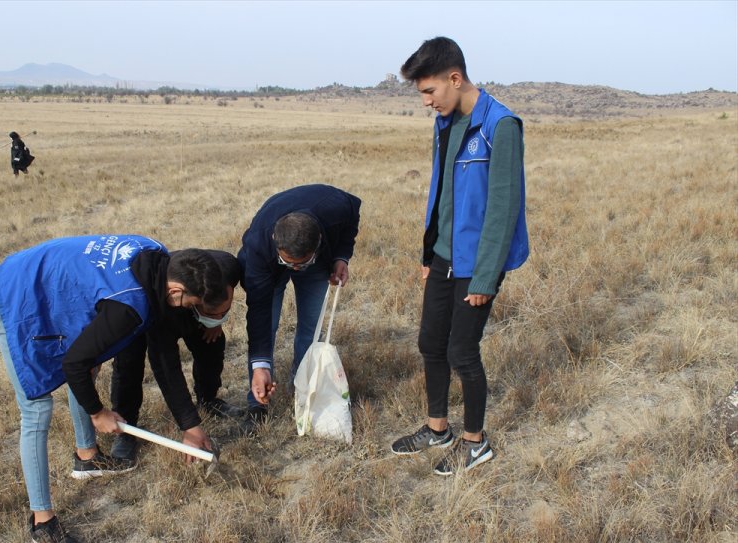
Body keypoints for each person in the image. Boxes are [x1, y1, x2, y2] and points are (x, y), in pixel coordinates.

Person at [0, 235, 225, 543]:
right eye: (191, 305)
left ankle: (87, 457)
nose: (188, 312)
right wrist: (98, 413)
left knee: (89, 365)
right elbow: (73, 365)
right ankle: (43, 523)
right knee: (37, 408)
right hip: (15, 300)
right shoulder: (130, 305)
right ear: (175, 291)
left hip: (45, 287)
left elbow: (162, 358)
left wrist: (190, 425)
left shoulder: (155, 256)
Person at [389, 37, 529, 475]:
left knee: (462, 352)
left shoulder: (500, 125)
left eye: (430, 91)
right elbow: (441, 195)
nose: (427, 101)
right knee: (431, 343)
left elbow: (503, 209)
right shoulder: (445, 123)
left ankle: (475, 443)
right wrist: (430, 253)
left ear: (455, 78)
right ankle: (437, 429)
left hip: (478, 263)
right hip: (444, 257)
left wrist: (486, 278)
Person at [237, 184, 362, 435]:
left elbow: (352, 212)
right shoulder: (258, 247)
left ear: (318, 242)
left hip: (316, 262)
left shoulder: (336, 208)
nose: (293, 268)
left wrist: (341, 256)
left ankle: (303, 388)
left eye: (300, 263)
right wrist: (259, 365)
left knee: (311, 328)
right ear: (275, 240)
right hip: (267, 265)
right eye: (288, 262)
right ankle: (257, 402)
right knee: (267, 324)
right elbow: (259, 314)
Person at [113, 250, 246, 462]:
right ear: (196, 303)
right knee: (128, 364)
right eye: (213, 314)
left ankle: (208, 399)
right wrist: (189, 424)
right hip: (142, 312)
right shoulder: (164, 308)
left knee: (212, 346)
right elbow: (167, 369)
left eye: (224, 311)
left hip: (194, 310)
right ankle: (125, 429)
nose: (219, 316)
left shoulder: (230, 267)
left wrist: (216, 321)